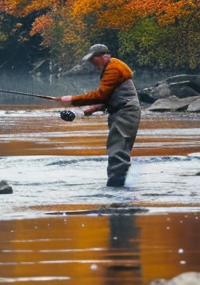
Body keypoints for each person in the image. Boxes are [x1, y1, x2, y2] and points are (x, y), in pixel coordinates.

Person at [58, 44, 142, 187]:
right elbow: (107, 97)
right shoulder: (112, 67)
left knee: (117, 150)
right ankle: (121, 188)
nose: (92, 62)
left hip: (125, 112)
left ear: (104, 56)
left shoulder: (113, 67)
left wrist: (72, 100)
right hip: (124, 112)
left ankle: (115, 190)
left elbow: (101, 95)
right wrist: (89, 110)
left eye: (93, 58)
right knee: (119, 149)